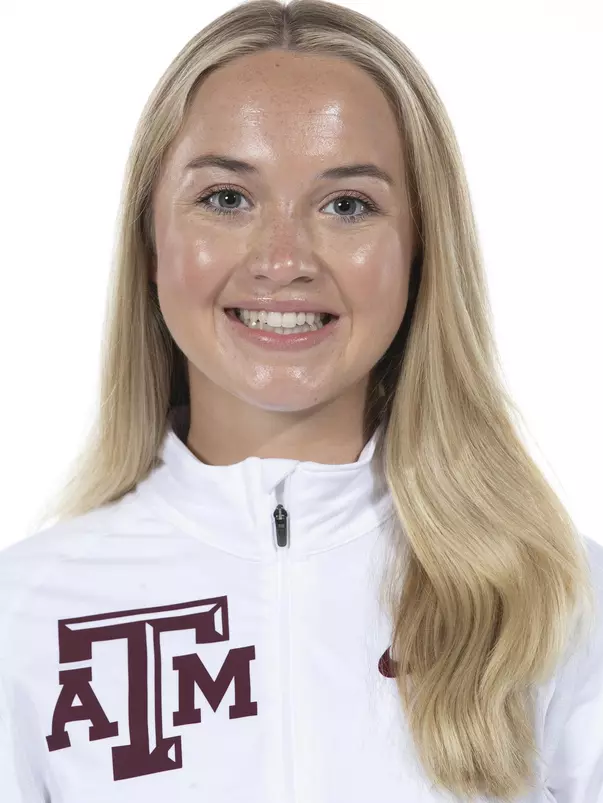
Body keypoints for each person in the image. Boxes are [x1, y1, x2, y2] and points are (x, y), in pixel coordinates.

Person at [1, 1, 602, 801]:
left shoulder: (557, 600)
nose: (282, 260)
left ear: (420, 251)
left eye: (345, 205)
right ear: (150, 240)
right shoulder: (28, 615)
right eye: (226, 198)